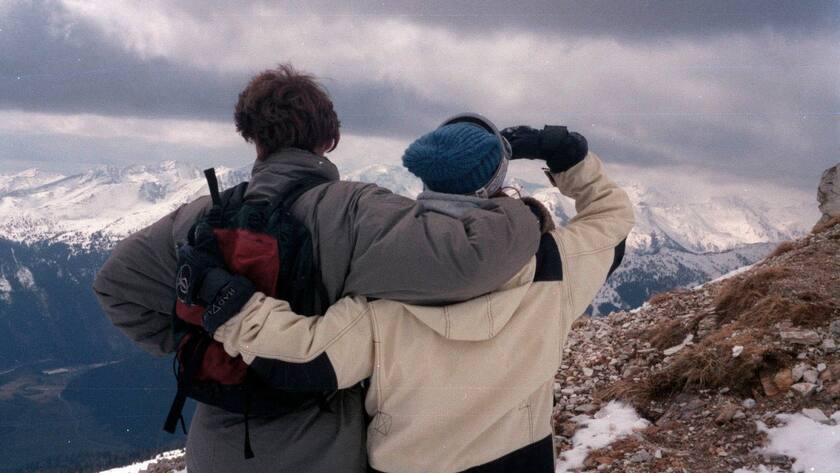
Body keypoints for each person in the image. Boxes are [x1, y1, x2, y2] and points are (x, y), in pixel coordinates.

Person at [92, 65, 542, 472]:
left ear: (254, 138)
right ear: (330, 140)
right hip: (321, 450)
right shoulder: (352, 212)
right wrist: (523, 213)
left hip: (216, 450)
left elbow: (114, 285)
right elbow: (469, 260)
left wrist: (203, 340)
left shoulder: (202, 216)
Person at [176, 116, 635, 472]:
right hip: (523, 459)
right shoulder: (554, 266)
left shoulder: (385, 284)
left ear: (424, 179)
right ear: (498, 178)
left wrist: (226, 299)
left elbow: (302, 357)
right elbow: (611, 218)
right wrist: (566, 155)